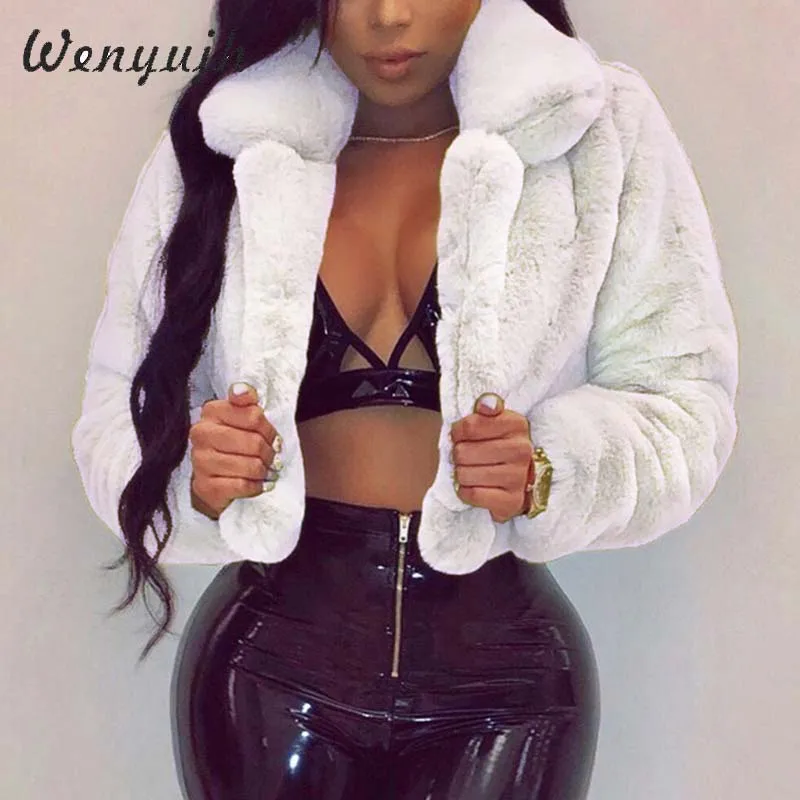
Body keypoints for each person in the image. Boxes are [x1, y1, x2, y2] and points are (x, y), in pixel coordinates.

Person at [70, 0, 739, 797]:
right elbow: (116, 410)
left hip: (509, 683)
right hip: (266, 668)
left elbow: (684, 401)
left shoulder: (595, 126)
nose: (389, 16)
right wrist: (195, 475)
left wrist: (550, 472)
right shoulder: (229, 135)